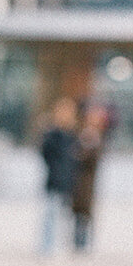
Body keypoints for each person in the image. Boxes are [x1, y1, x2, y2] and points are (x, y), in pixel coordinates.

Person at [37, 98, 78, 255]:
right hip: (54, 180)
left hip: (68, 181)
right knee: (50, 215)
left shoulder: (72, 135)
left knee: (64, 217)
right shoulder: (53, 134)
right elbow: (45, 154)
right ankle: (46, 246)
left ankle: (61, 245)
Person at [70, 104, 107, 252]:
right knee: (77, 214)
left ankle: (83, 244)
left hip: (87, 184)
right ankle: (77, 243)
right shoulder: (80, 135)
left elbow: (92, 160)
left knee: (85, 214)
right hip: (76, 182)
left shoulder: (98, 138)